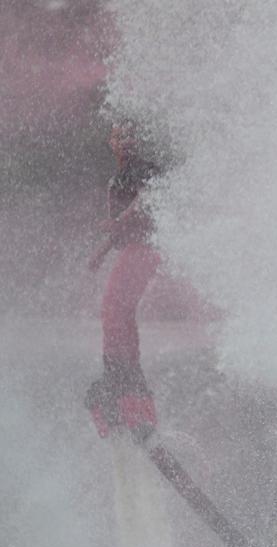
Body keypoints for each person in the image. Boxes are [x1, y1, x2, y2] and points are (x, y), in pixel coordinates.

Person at [85, 121, 162, 441]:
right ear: (111, 140)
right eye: (120, 135)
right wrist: (101, 253)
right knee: (117, 312)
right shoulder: (118, 177)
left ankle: (127, 389)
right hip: (135, 247)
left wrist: (120, 218)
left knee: (115, 309)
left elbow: (146, 198)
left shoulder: (142, 169)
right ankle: (124, 390)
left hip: (148, 247)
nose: (126, 140)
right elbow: (119, 232)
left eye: (132, 134)